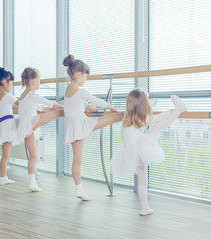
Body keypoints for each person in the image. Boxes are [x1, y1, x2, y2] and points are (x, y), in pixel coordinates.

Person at [110, 88, 187, 216]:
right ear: (144, 105)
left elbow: (151, 116)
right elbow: (155, 119)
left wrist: (155, 106)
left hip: (131, 152)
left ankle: (145, 208)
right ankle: (178, 110)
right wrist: (170, 112)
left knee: (143, 181)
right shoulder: (143, 118)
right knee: (157, 127)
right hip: (138, 149)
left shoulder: (128, 116)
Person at [62, 54, 124, 201]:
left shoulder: (68, 90)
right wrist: (110, 106)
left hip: (73, 125)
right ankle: (135, 113)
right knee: (114, 117)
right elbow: (96, 99)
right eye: (86, 76)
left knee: (77, 160)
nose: (86, 79)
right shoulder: (81, 91)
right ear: (78, 74)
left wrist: (89, 108)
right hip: (80, 123)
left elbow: (76, 103)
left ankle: (79, 189)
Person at [18, 67, 64, 192]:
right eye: (39, 80)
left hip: (25, 128)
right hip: (30, 124)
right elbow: (51, 104)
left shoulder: (23, 95)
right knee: (59, 112)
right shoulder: (33, 94)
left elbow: (41, 108)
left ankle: (32, 182)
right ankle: (32, 183)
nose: (40, 82)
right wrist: (62, 109)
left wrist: (57, 109)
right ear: (33, 80)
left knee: (33, 156)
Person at [0, 67, 19, 185]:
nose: (12, 85)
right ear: (4, 82)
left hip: (2, 125)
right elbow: (21, 104)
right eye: (11, 82)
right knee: (5, 155)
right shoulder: (8, 96)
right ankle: (3, 178)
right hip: (7, 125)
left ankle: (3, 177)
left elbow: (8, 108)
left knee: (4, 154)